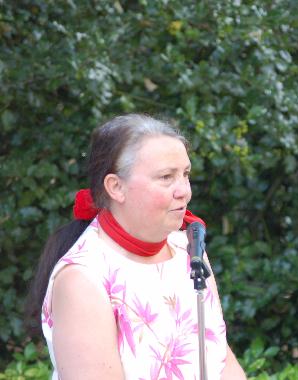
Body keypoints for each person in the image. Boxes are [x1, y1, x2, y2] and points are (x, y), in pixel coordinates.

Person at [26, 114, 247, 379]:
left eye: (185, 174)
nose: (184, 191)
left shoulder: (188, 248)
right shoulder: (83, 278)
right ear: (116, 187)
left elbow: (219, 355)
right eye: (166, 177)